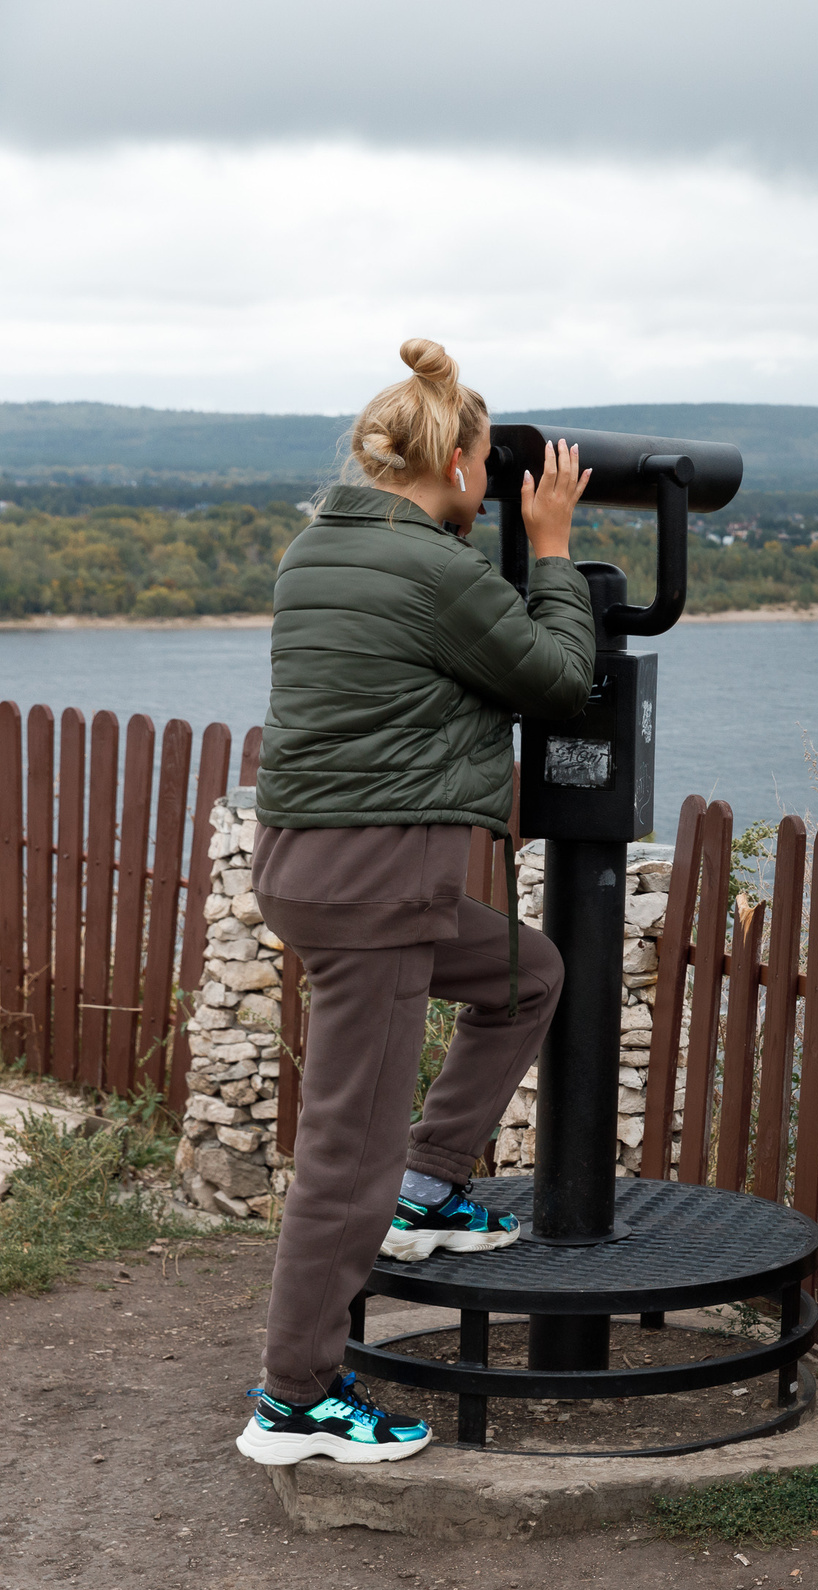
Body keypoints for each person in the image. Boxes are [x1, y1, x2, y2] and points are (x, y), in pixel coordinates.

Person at [234, 339, 596, 1466]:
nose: (491, 488)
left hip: (312, 868)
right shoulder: (436, 573)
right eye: (486, 469)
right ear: (453, 464)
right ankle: (295, 1399)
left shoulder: (318, 547)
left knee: (524, 972)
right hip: (377, 888)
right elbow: (557, 678)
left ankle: (429, 1185)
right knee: (346, 1153)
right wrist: (552, 550)